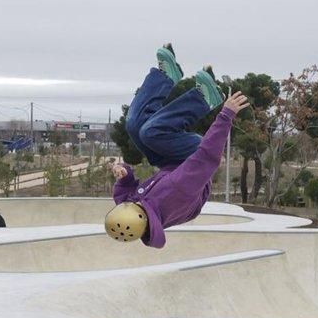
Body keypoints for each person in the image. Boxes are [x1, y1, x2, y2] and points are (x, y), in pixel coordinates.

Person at [106, 44, 250, 248]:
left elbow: (125, 195)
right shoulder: (175, 191)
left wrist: (124, 176)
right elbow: (206, 158)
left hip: (171, 165)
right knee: (151, 132)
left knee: (134, 125)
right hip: (192, 159)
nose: (131, 201)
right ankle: (205, 98)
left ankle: (167, 75)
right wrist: (226, 115)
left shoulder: (138, 212)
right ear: (141, 214)